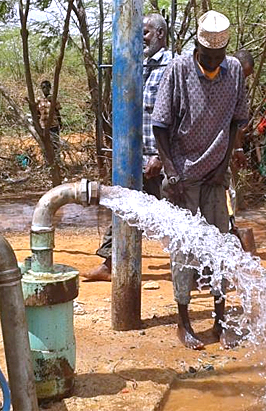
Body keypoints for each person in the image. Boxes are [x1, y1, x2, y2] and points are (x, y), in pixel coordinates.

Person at [152, 10, 248, 349]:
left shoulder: (234, 70)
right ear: (197, 49)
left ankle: (220, 321)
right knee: (184, 251)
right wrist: (171, 170)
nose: (212, 64)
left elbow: (237, 120)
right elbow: (160, 125)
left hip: (215, 174)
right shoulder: (178, 69)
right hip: (182, 175)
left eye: (218, 58)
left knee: (219, 246)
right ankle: (184, 322)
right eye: (207, 58)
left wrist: (224, 165)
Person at [83, 13, 173, 281]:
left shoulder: (171, 67)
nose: (140, 38)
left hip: (163, 159)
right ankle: (111, 264)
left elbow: (177, 116)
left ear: (160, 34)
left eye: (144, 32)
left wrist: (160, 157)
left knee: (176, 215)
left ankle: (191, 270)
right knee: (121, 207)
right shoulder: (136, 66)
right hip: (136, 158)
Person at [36, 80, 63, 155]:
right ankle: (47, 162)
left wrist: (60, 122)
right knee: (46, 146)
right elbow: (37, 114)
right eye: (43, 87)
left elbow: (57, 112)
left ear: (50, 88)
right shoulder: (38, 101)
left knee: (55, 145)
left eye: (47, 87)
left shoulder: (53, 99)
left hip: (54, 125)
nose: (45, 89)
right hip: (43, 127)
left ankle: (57, 162)